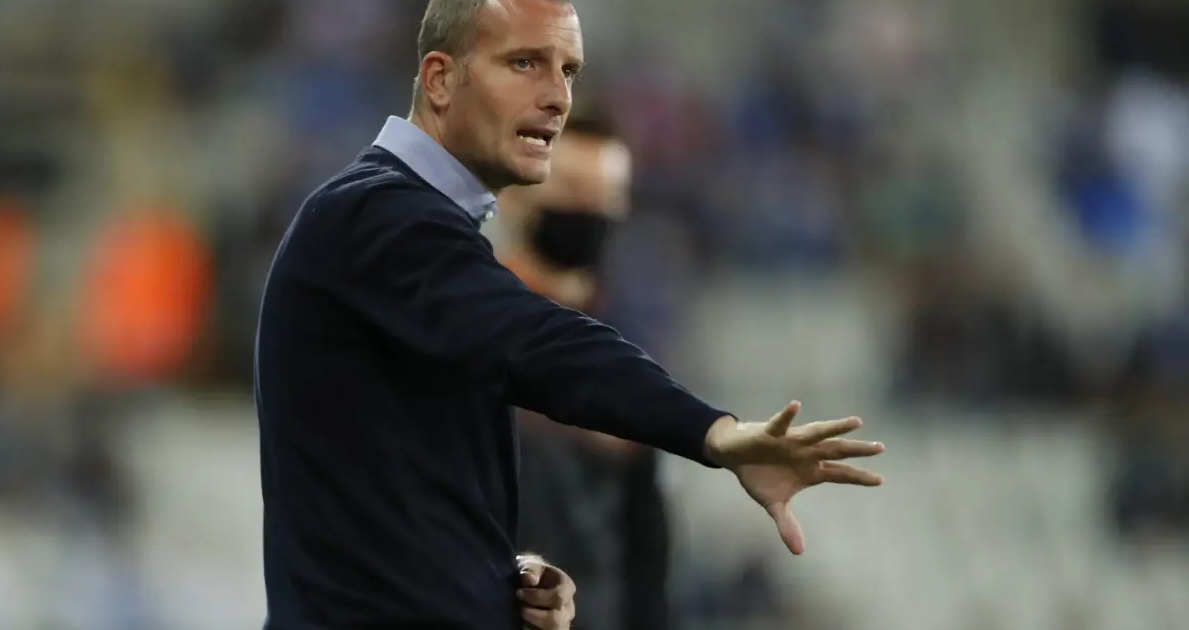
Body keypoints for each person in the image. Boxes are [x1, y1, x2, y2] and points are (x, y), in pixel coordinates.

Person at [253, 1, 886, 629]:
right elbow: (538, 340)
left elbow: (398, 500)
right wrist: (713, 432)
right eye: (524, 63)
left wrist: (505, 583)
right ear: (440, 78)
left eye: (569, 71)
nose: (558, 96)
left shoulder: (410, 236)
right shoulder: (376, 214)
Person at [497, 112, 676, 630]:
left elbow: (645, 547)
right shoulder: (459, 331)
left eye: (606, 197)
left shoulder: (628, 359)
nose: (589, 211)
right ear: (515, 196)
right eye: (573, 190)